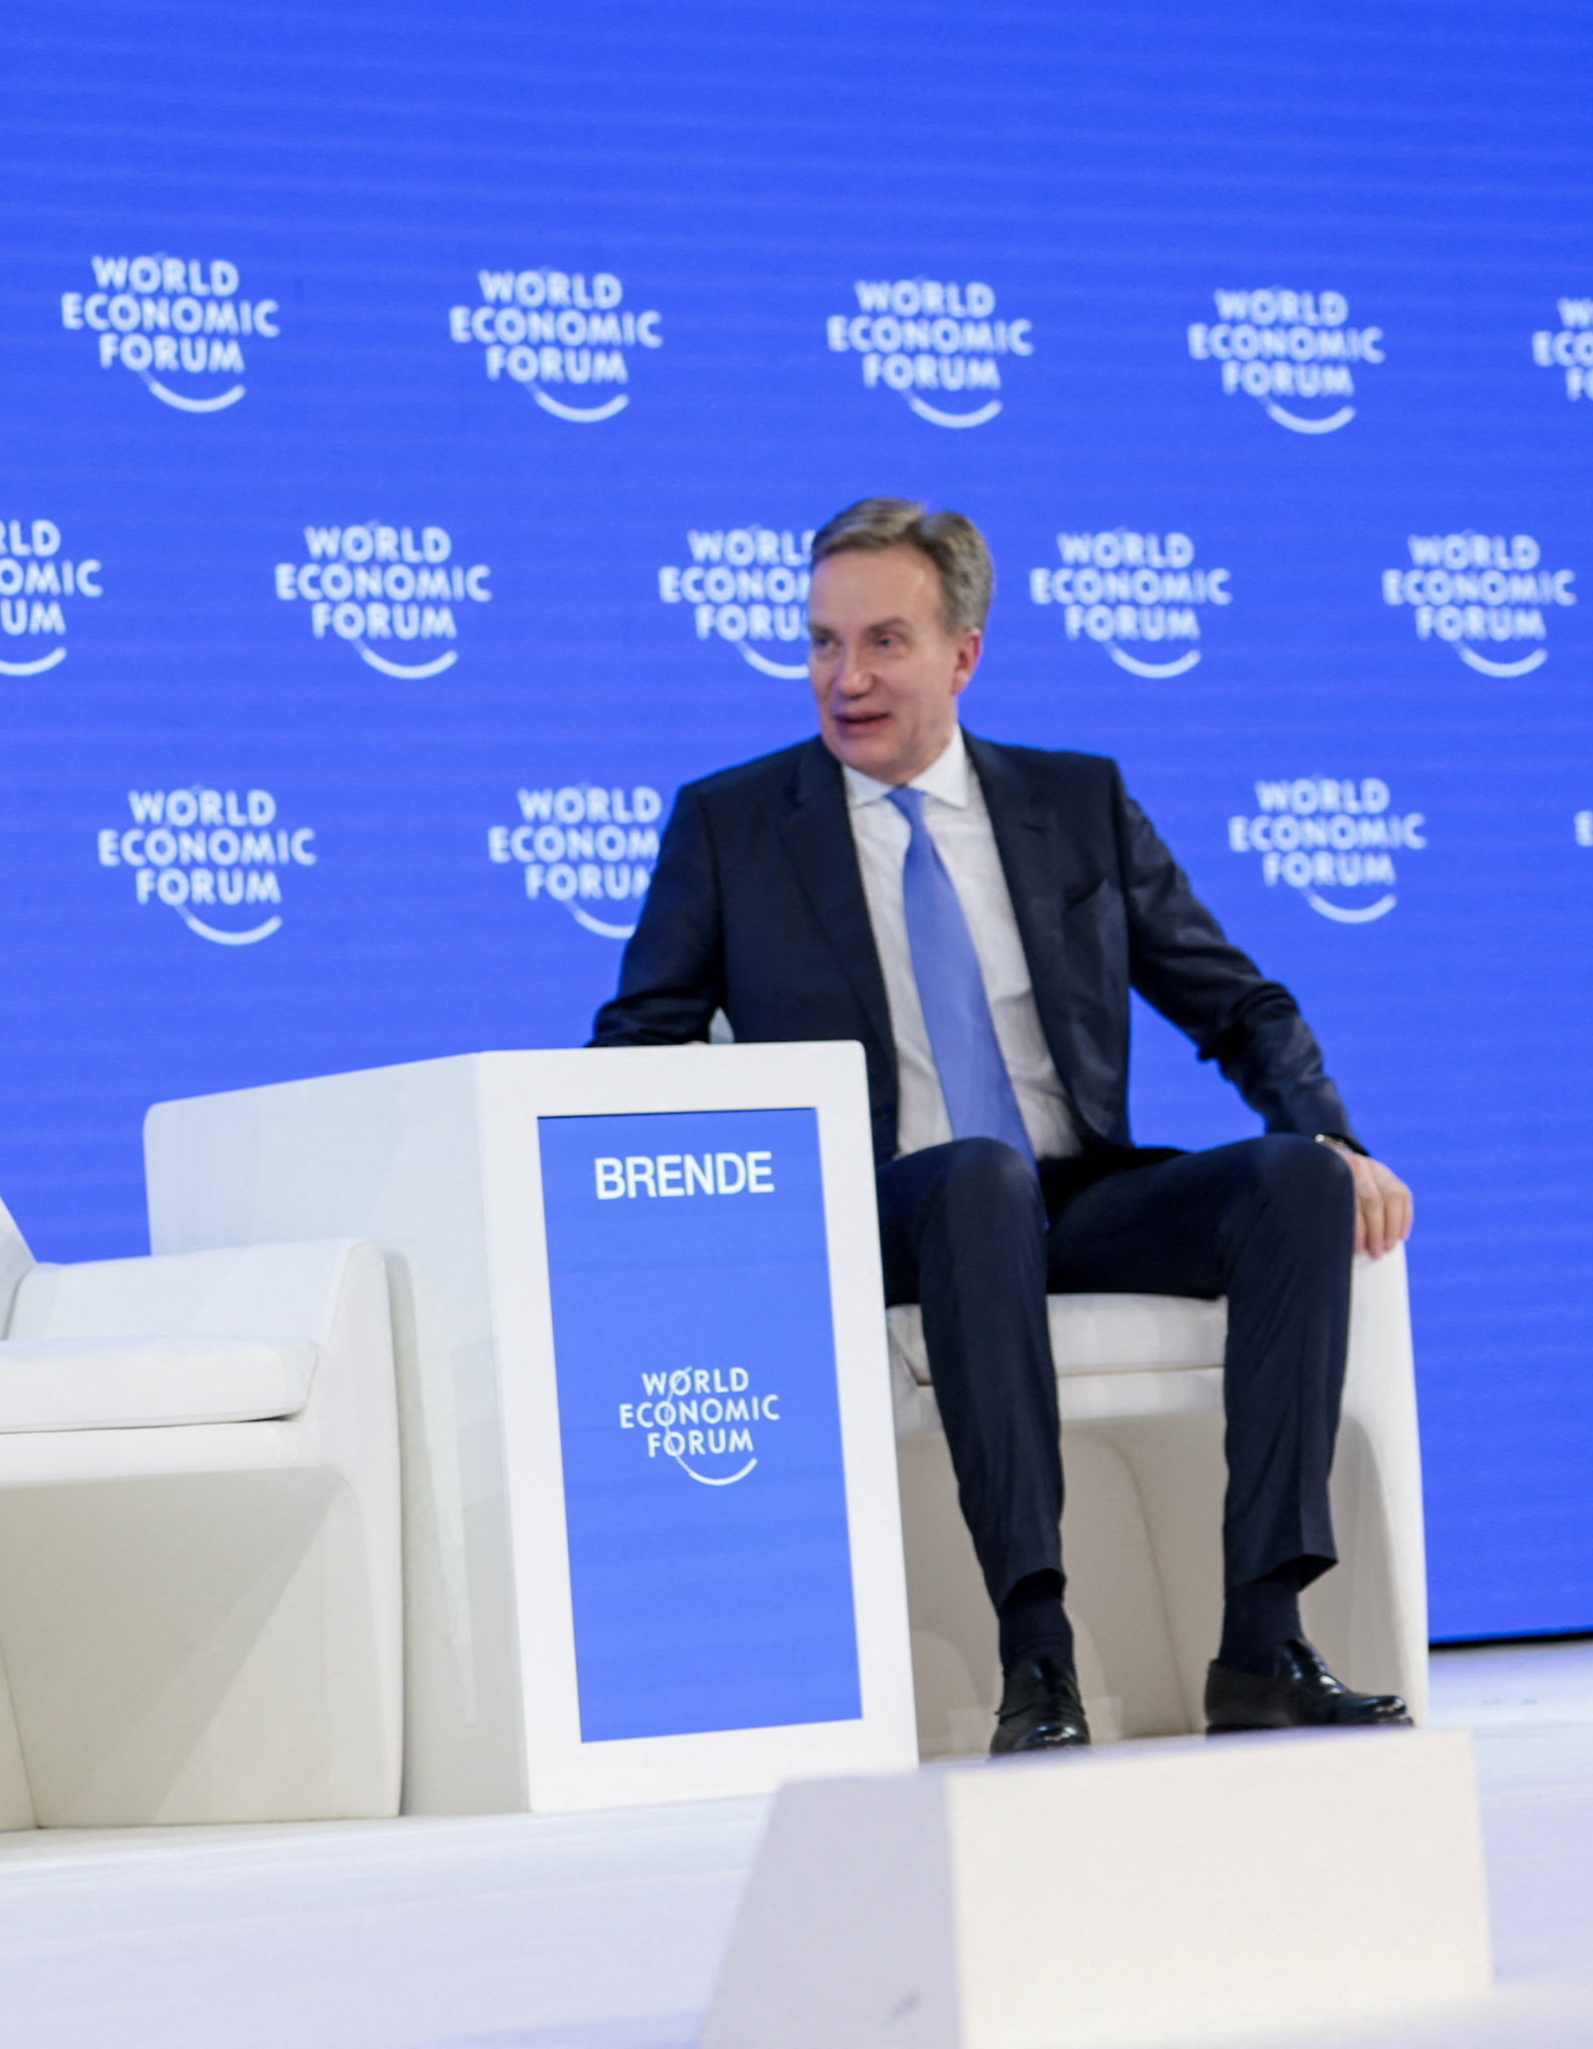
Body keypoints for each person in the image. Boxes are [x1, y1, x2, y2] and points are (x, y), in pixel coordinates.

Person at [591, 498, 1417, 1754]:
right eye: (820, 642)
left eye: (883, 641)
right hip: (882, 1209)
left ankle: (1262, 1642)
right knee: (974, 1178)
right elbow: (637, 1047)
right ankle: (1036, 1657)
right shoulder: (732, 823)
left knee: (1293, 1181)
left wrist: (1334, 1136)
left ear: (962, 651)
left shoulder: (1073, 803)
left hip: (1067, 1196)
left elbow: (1235, 1001)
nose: (844, 677)